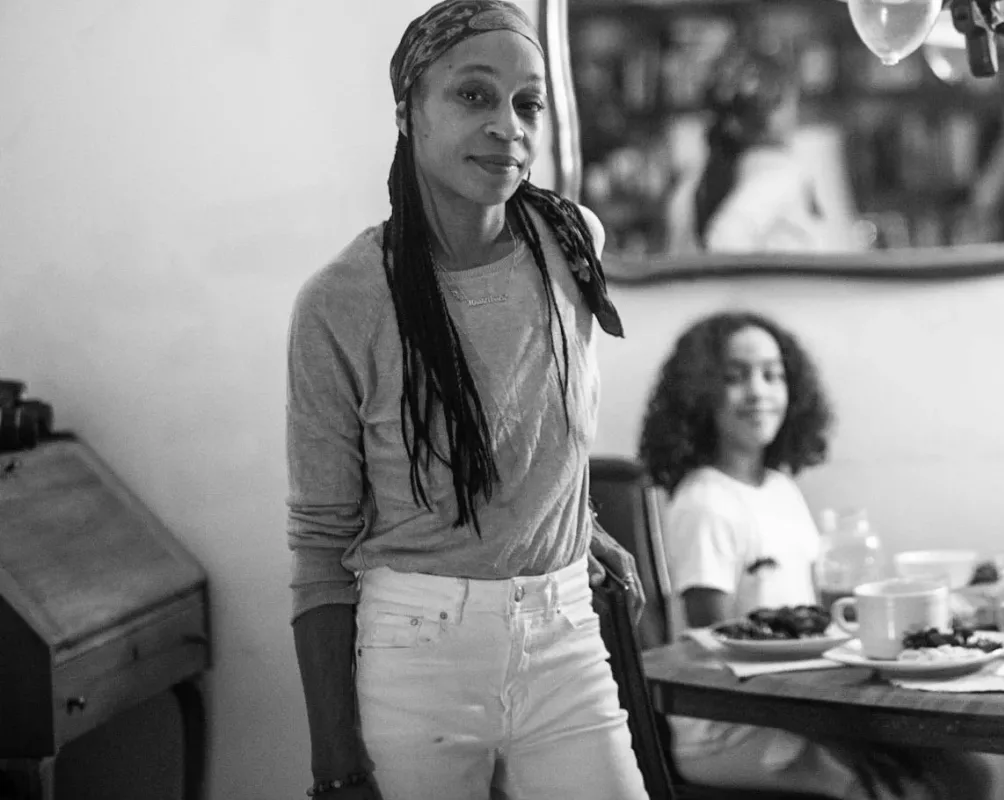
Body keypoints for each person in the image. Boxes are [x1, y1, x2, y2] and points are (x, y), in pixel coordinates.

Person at [285, 3, 647, 798]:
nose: (508, 127)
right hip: (417, 653)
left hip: (564, 635)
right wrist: (334, 762)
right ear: (407, 112)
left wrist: (573, 525)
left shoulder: (571, 241)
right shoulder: (343, 301)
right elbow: (319, 548)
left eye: (527, 103)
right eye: (473, 96)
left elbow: (528, 421)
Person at [638, 311, 990, 800]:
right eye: (735, 377)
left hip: (803, 706)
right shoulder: (704, 503)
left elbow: (817, 619)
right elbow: (717, 652)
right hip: (734, 728)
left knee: (968, 773)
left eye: (772, 374)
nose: (758, 391)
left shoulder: (780, 489)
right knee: (904, 790)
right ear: (700, 393)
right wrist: (835, 736)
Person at [663, 53, 856, 254]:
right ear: (776, 112)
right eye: (790, 102)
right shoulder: (781, 178)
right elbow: (724, 239)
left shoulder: (691, 184)